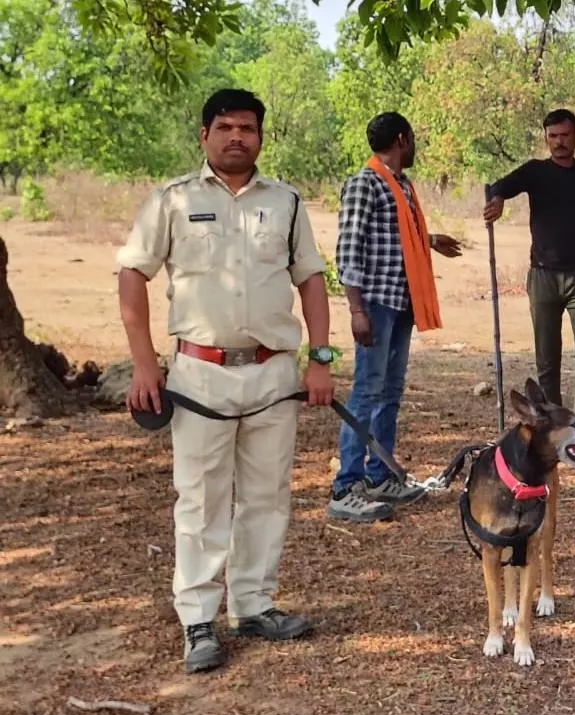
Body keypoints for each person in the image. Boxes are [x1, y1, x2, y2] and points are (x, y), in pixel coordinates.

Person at [116, 88, 336, 673]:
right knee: (201, 500)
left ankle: (254, 604)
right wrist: (144, 363)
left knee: (267, 496)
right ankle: (198, 621)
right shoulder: (173, 200)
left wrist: (321, 357)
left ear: (261, 136)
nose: (236, 136)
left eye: (247, 127)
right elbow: (132, 276)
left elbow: (310, 279)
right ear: (204, 135)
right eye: (225, 127)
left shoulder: (286, 202)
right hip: (199, 377)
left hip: (272, 373)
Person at [328, 112, 462, 522]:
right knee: (366, 392)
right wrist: (356, 309)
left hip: (402, 303)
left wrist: (430, 239)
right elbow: (349, 249)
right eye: (414, 138)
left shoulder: (401, 184)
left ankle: (381, 475)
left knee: (389, 392)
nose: (415, 145)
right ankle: (346, 486)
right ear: (403, 139)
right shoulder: (364, 183)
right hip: (375, 303)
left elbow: (395, 234)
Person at [482, 108, 575, 427]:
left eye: (565, 135)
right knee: (547, 362)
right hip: (543, 277)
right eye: (553, 136)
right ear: (546, 138)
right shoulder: (535, 171)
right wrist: (498, 200)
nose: (559, 142)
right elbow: (498, 187)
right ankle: (554, 427)